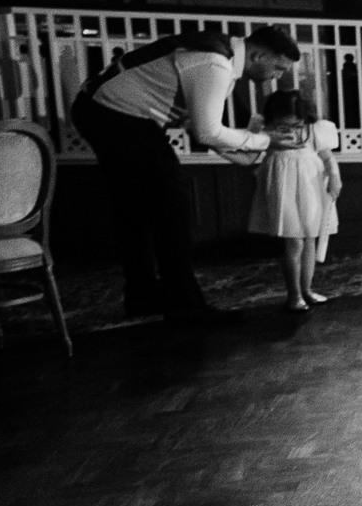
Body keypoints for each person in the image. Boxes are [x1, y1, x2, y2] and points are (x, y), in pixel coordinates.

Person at [68, 24, 300, 325]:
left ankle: (143, 296)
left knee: (135, 209)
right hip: (116, 115)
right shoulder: (214, 62)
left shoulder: (220, 57)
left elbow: (197, 128)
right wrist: (265, 141)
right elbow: (207, 131)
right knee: (172, 207)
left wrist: (250, 157)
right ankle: (184, 306)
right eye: (278, 68)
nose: (277, 78)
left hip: (105, 111)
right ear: (257, 55)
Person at [242, 89, 340, 312]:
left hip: (310, 183)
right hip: (281, 183)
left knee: (309, 238)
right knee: (293, 239)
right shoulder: (262, 127)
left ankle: (307, 289)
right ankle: (294, 294)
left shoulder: (314, 129)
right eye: (283, 125)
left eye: (296, 124)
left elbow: (327, 156)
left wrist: (334, 177)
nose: (291, 130)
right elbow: (252, 155)